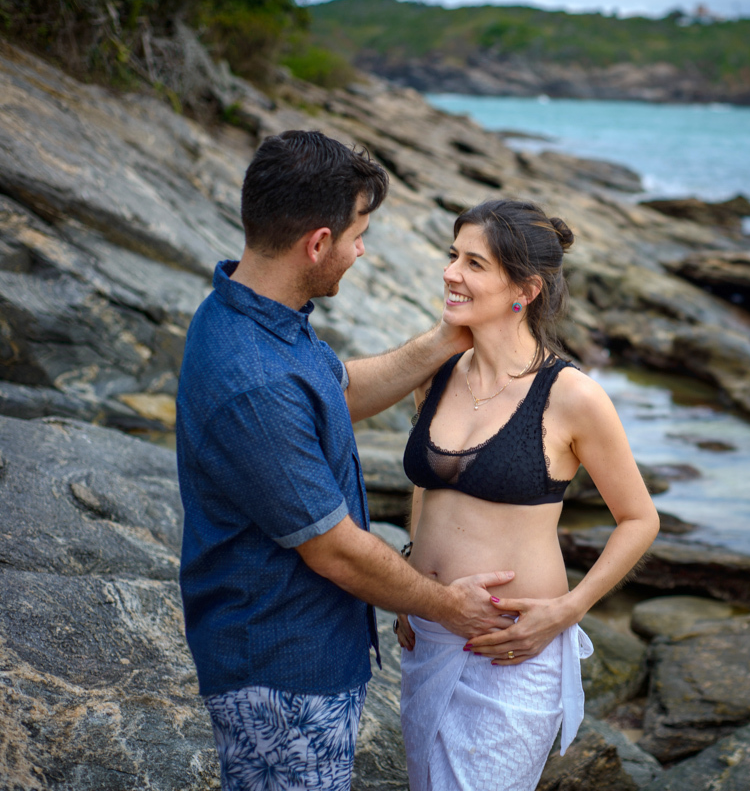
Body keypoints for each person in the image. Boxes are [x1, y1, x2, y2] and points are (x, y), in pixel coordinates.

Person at [176, 130, 518, 790]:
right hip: (282, 667)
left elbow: (340, 392)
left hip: (296, 650)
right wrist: (447, 606)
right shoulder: (254, 379)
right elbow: (332, 549)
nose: (363, 251)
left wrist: (447, 340)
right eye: (358, 234)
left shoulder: (257, 315)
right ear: (316, 243)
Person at [397, 199, 660, 791]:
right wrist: (414, 578)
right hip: (428, 633)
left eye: (474, 263)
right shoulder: (438, 372)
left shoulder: (572, 396)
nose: (451, 273)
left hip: (511, 651)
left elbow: (639, 518)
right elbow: (428, 485)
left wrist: (570, 611)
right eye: (451, 256)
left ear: (525, 289)